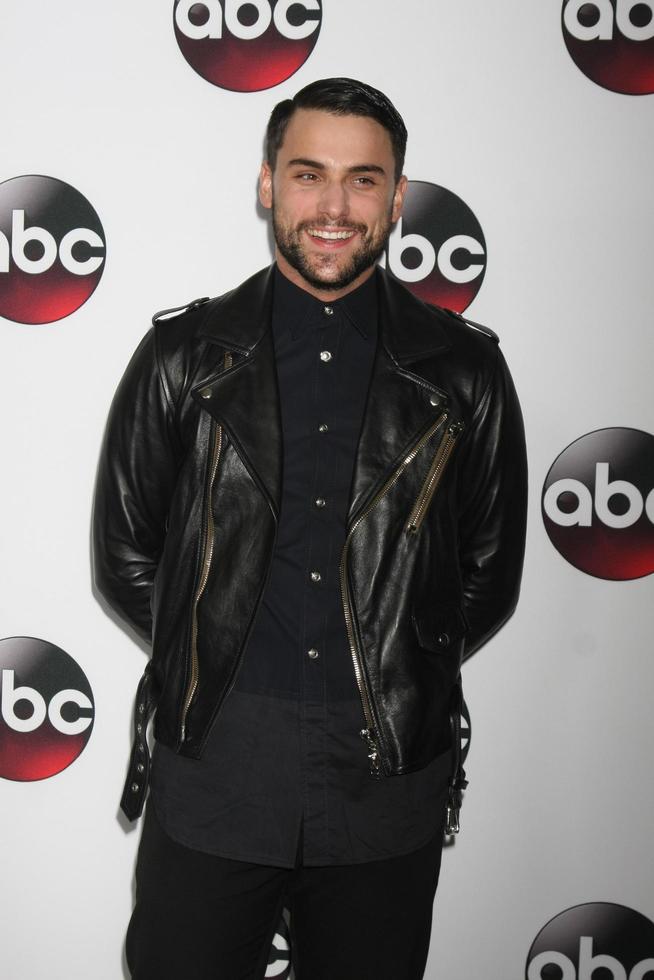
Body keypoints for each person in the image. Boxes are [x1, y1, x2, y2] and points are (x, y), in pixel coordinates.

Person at [93, 77, 527, 980]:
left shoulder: (466, 372)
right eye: (308, 175)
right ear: (268, 185)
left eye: (363, 181)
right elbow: (128, 555)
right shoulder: (186, 357)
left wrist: (402, 664)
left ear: (398, 197)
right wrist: (214, 658)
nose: (334, 206)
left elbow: (488, 572)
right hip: (217, 755)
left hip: (384, 766)